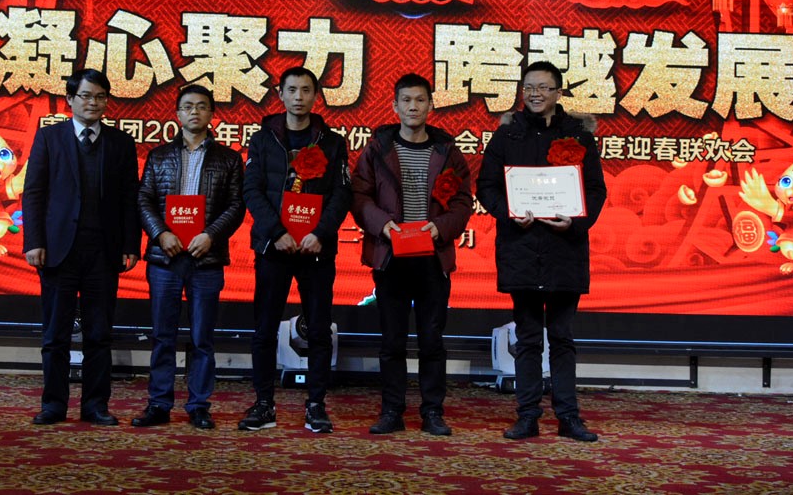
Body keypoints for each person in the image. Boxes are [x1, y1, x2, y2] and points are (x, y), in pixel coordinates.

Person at [475, 60, 606, 442]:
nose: (535, 94)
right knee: (528, 337)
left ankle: (568, 417)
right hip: (521, 248)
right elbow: (486, 186)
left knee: (562, 337)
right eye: (529, 87)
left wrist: (576, 221)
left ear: (558, 93)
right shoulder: (507, 135)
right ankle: (527, 416)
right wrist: (509, 213)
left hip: (564, 248)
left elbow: (595, 190)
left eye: (543, 87)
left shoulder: (578, 136)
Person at [351, 73, 473, 436]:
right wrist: (383, 225)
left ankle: (433, 411)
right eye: (406, 100)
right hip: (391, 255)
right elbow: (359, 196)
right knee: (392, 340)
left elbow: (463, 201)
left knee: (432, 339)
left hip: (433, 257)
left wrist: (440, 227)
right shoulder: (378, 149)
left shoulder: (447, 150)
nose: (413, 107)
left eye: (420, 100)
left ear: (431, 105)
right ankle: (392, 410)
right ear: (394, 106)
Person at [23, 69, 141, 426]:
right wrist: (34, 241)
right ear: (70, 99)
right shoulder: (49, 138)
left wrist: (130, 244)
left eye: (100, 97)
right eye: (86, 96)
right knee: (55, 335)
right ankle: (53, 405)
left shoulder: (121, 143)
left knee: (99, 335)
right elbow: (34, 193)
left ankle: (95, 405)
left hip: (103, 252)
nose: (93, 103)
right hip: (58, 250)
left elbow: (129, 199)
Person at [238, 67, 352, 433]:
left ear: (316, 96)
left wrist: (320, 232)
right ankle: (263, 404)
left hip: (315, 248)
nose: (299, 97)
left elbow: (341, 194)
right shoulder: (263, 139)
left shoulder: (332, 142)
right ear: (280, 94)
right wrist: (276, 231)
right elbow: (251, 190)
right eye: (292, 90)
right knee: (264, 329)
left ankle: (316, 404)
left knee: (318, 329)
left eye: (305, 90)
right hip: (274, 246)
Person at [131, 85, 245, 431]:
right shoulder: (159, 156)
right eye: (187, 106)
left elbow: (236, 205)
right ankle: (159, 403)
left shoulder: (228, 159)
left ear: (212, 114)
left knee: (202, 338)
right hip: (165, 257)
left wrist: (210, 235)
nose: (194, 112)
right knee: (162, 335)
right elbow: (144, 199)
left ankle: (198, 405)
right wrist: (160, 233)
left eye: (202, 106)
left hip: (205, 257)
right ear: (178, 113)